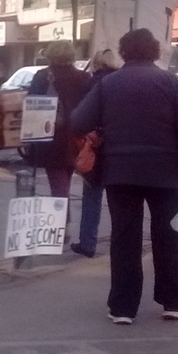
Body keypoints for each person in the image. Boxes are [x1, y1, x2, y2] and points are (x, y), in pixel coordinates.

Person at [70, 28, 178, 325]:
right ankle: (173, 301)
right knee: (168, 236)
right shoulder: (171, 83)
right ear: (155, 51)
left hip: (120, 173)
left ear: (124, 51)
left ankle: (123, 307)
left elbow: (79, 120)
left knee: (124, 239)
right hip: (166, 174)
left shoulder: (108, 84)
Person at [26, 41, 90, 199]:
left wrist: (29, 139)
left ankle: (61, 213)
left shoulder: (42, 76)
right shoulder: (82, 77)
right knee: (64, 180)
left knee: (58, 187)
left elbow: (32, 108)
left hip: (50, 137)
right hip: (75, 137)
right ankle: (62, 211)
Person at [70, 49, 119, 258]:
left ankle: (88, 243)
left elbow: (81, 118)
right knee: (120, 201)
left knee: (92, 196)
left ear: (97, 64)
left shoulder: (92, 84)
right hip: (119, 148)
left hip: (96, 147)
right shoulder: (122, 82)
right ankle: (121, 243)